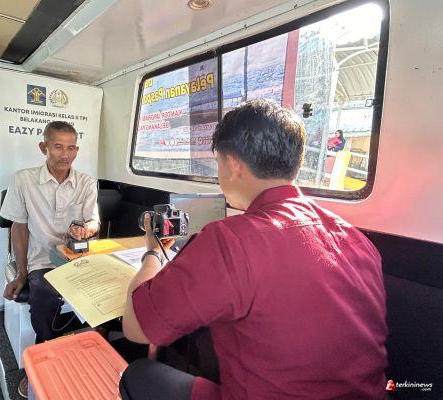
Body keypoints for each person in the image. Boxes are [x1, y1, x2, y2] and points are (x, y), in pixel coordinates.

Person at [120, 100, 387, 400]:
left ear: (233, 165)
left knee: (139, 373)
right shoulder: (356, 239)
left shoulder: (230, 241)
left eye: (218, 163)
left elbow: (135, 327)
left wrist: (153, 252)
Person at [0, 120, 100, 398]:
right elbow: (19, 228)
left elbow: (93, 222)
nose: (65, 154)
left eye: (71, 148)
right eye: (57, 146)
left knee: (109, 290)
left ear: (76, 150)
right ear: (43, 147)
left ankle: (88, 345)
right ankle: (44, 353)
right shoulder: (23, 180)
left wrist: (86, 229)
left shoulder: (86, 182)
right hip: (42, 260)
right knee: (44, 294)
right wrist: (21, 274)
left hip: (77, 257)